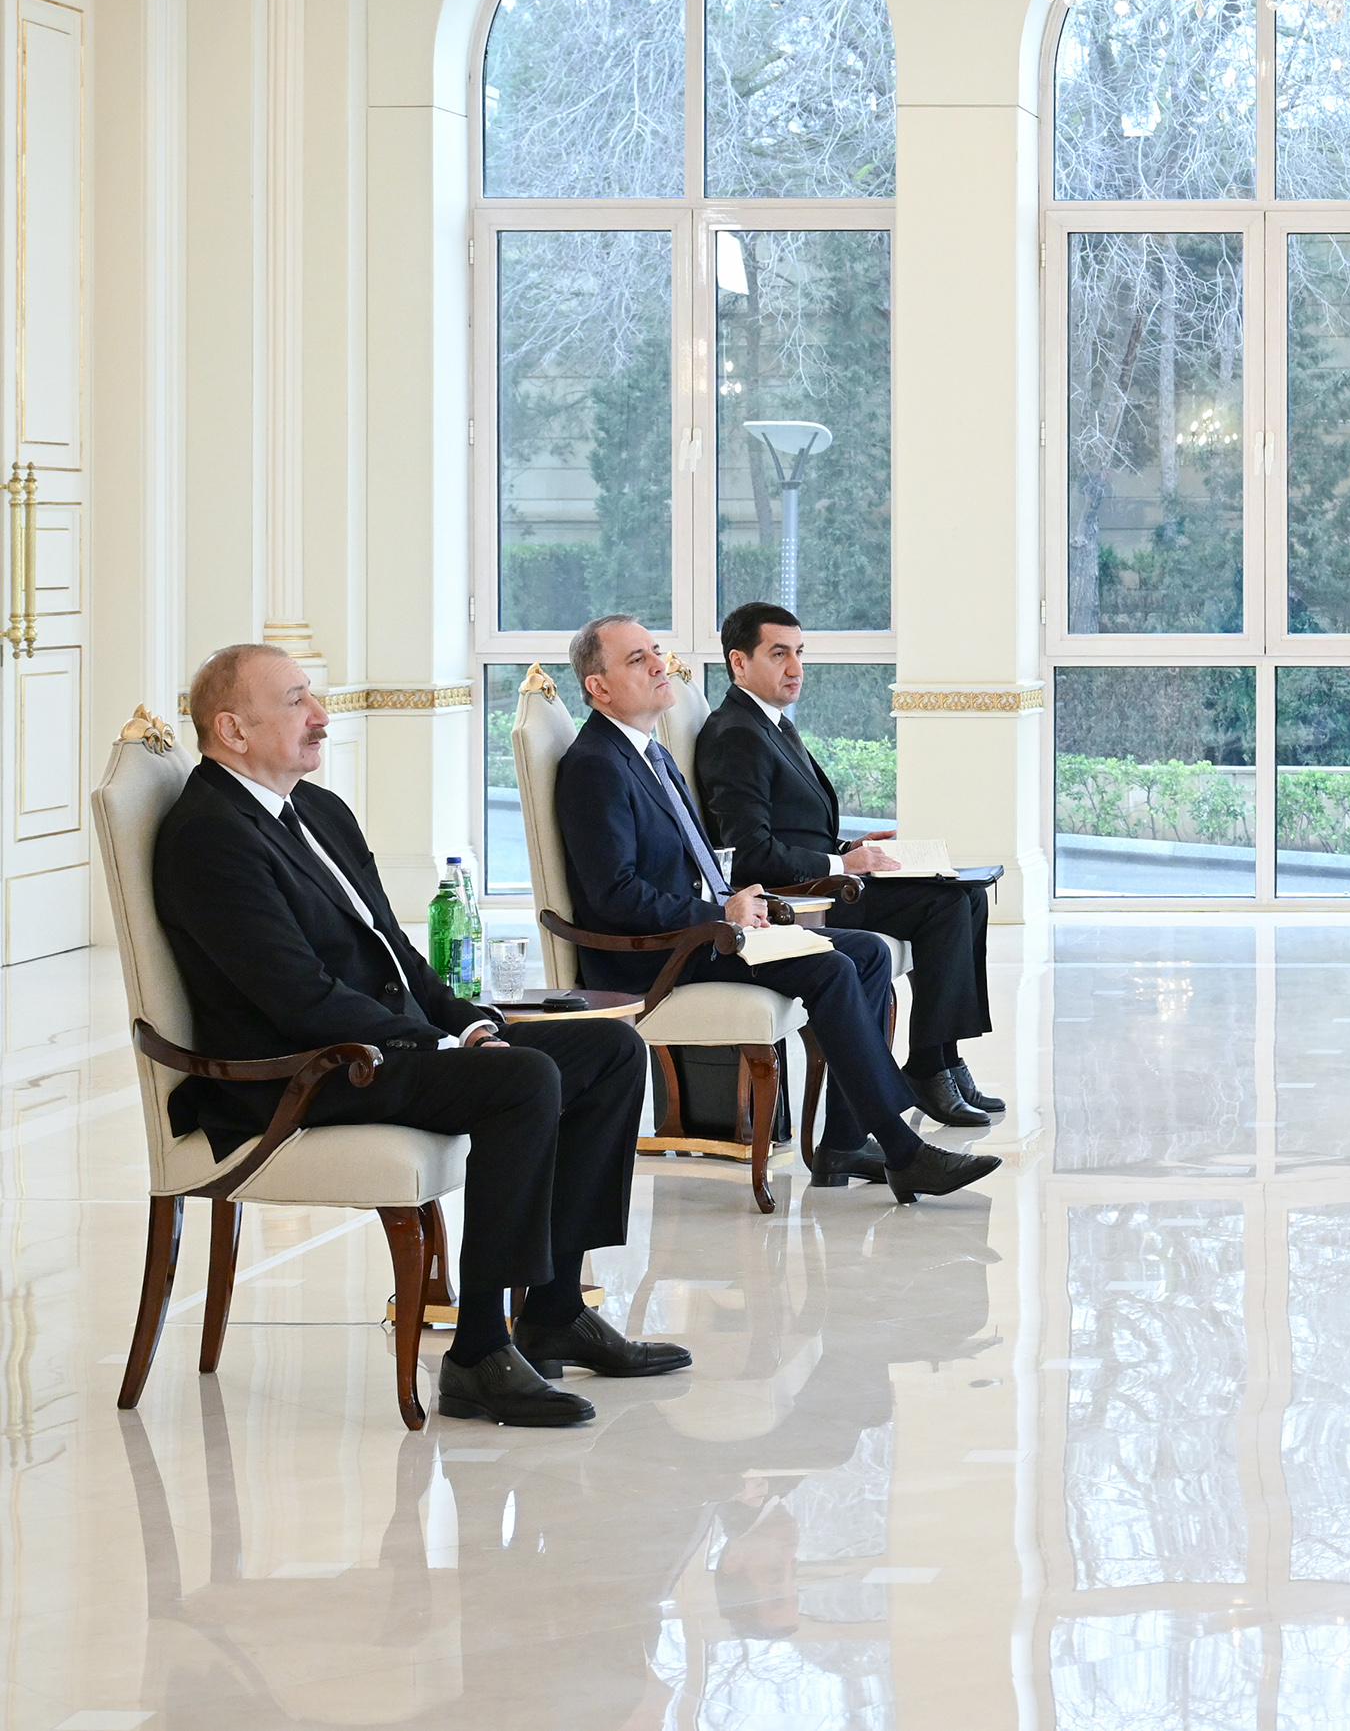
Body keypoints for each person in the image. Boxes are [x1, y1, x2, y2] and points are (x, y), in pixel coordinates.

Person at [152, 642, 689, 1426]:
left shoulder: (319, 811)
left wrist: (469, 1022)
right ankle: (477, 1354)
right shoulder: (209, 835)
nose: (322, 716)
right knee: (521, 1079)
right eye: (298, 701)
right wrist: (439, 1045)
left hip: (371, 1046)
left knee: (608, 1051)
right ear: (233, 729)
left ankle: (553, 1311)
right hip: (297, 1072)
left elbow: (396, 955)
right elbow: (299, 1000)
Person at [553, 614, 999, 1205]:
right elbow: (615, 896)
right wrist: (718, 916)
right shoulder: (595, 764)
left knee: (866, 953)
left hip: (704, 930)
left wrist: (737, 903)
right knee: (832, 967)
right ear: (599, 687)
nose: (661, 665)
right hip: (655, 956)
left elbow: (701, 861)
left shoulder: (648, 754)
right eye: (638, 659)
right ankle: (904, 1150)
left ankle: (844, 1142)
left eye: (655, 651)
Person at [695, 601, 1000, 1129]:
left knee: (967, 895)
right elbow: (748, 852)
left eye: (799, 653)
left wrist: (850, 846)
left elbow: (790, 828)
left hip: (824, 879)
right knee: (947, 905)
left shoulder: (769, 724)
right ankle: (929, 1068)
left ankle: (944, 1058)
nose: (796, 668)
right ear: (738, 662)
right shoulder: (736, 734)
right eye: (779, 654)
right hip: (797, 899)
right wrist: (841, 861)